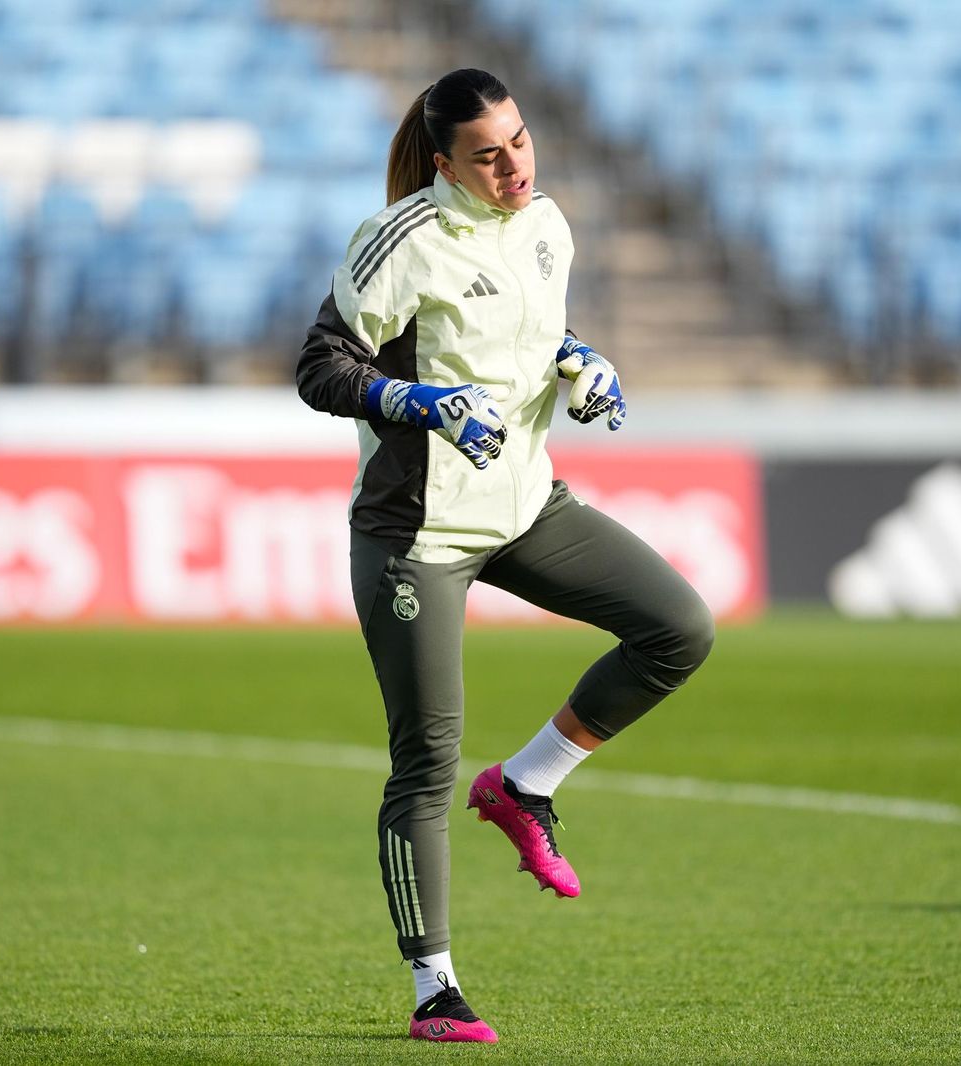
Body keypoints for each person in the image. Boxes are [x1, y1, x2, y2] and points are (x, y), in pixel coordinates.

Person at [296, 68, 715, 1044]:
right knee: (424, 762)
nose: (513, 164)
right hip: (416, 534)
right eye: (487, 155)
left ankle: (526, 783)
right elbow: (320, 366)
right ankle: (433, 986)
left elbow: (525, 335)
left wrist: (581, 362)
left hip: (525, 507)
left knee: (678, 629)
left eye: (520, 141)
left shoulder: (547, 226)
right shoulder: (399, 238)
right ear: (445, 163)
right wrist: (418, 401)